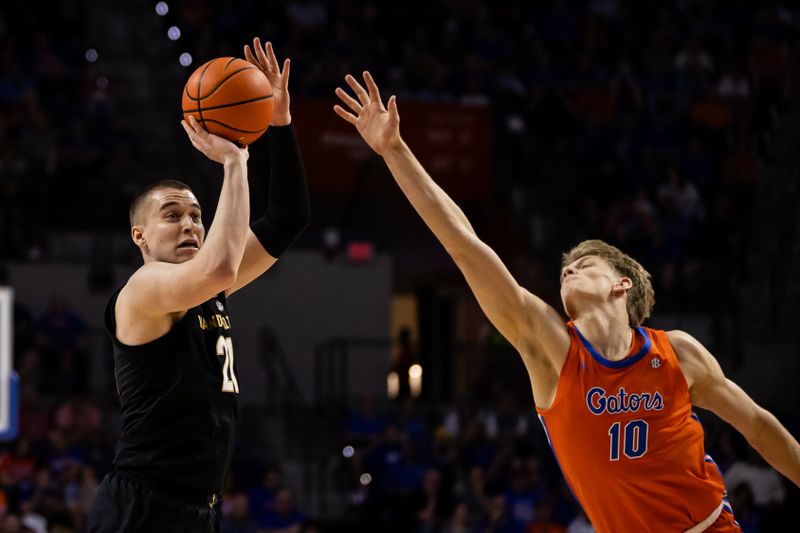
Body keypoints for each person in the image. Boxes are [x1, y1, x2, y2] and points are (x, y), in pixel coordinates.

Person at [333, 72, 800, 532]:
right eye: (565, 268)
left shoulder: (678, 353)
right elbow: (465, 245)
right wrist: (395, 151)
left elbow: (758, 427)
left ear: (623, 286)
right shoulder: (553, 349)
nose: (568, 270)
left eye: (586, 264)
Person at [87, 38, 310, 533]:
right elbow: (220, 267)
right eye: (173, 216)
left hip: (197, 509)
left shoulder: (204, 288)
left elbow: (289, 217)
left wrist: (279, 125)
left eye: (196, 216)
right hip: (143, 507)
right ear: (139, 235)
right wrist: (235, 162)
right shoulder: (144, 289)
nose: (190, 225)